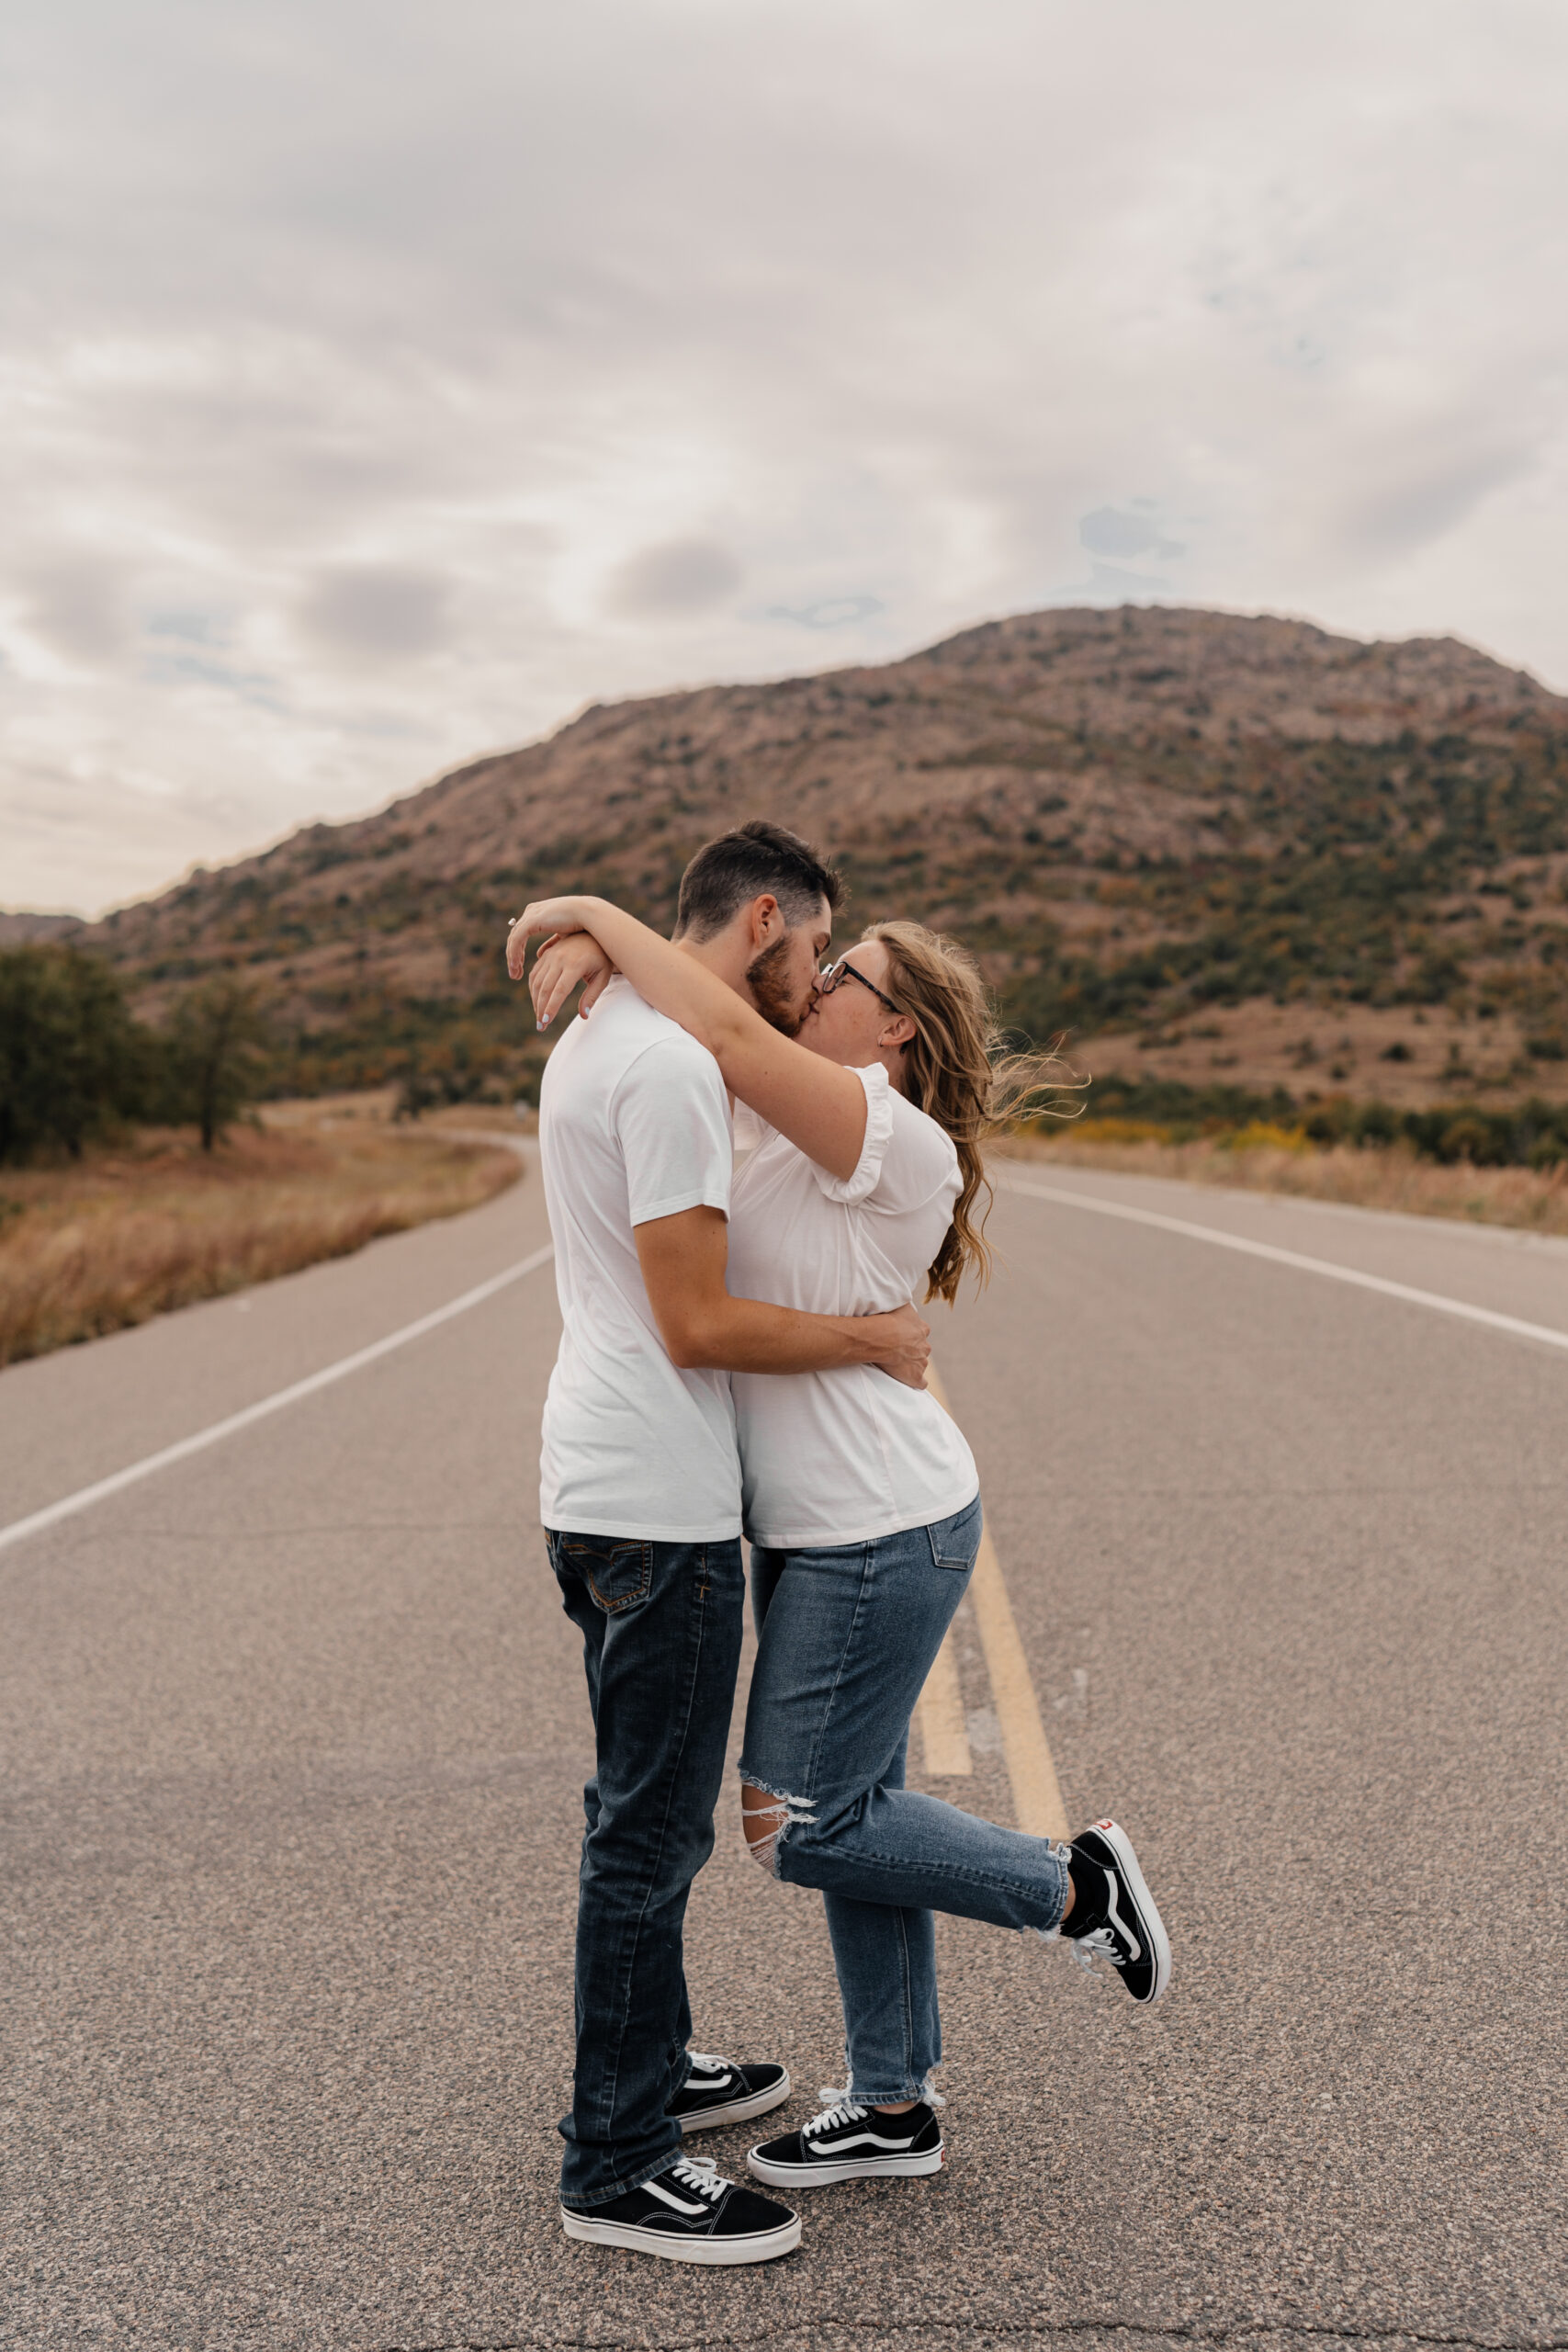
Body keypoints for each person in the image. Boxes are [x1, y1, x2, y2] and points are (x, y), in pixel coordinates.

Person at [510, 878, 1171, 2201]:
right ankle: (890, 2099)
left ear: (896, 1032)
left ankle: (1072, 1884)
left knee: (798, 1823)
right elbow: (708, 1010)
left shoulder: (889, 1132)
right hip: (813, 1526)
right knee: (858, 1803)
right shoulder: (781, 1127)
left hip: (884, 1522)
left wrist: (589, 905)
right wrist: (604, 954)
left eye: (848, 976)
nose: (819, 986)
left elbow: (741, 1030)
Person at [514, 821, 933, 2267]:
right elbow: (697, 1320)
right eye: (815, 949)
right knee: (647, 1836)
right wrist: (869, 1339)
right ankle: (618, 2163)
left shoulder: (599, 1032)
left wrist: (582, 917)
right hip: (660, 1501)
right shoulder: (677, 1067)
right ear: (765, 922)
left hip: (595, 1475)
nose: (813, 980)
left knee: (637, 1815)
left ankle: (654, 2064)